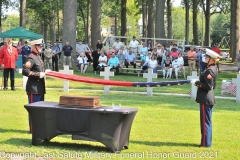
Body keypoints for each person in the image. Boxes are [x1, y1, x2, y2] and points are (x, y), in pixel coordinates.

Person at [194, 48, 219, 147]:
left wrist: (197, 83)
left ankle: (205, 143)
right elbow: (213, 85)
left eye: (207, 57)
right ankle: (207, 142)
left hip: (205, 98)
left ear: (211, 59)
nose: (205, 58)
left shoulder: (209, 71)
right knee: (207, 121)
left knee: (205, 122)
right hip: (208, 98)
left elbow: (208, 86)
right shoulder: (213, 69)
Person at [22, 38, 45, 133]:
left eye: (41, 46)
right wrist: (38, 74)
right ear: (34, 47)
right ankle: (33, 129)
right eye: (39, 46)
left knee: (39, 111)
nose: (41, 47)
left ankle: (38, 128)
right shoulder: (31, 57)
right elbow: (25, 71)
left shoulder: (38, 57)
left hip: (39, 88)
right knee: (34, 110)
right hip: (33, 88)